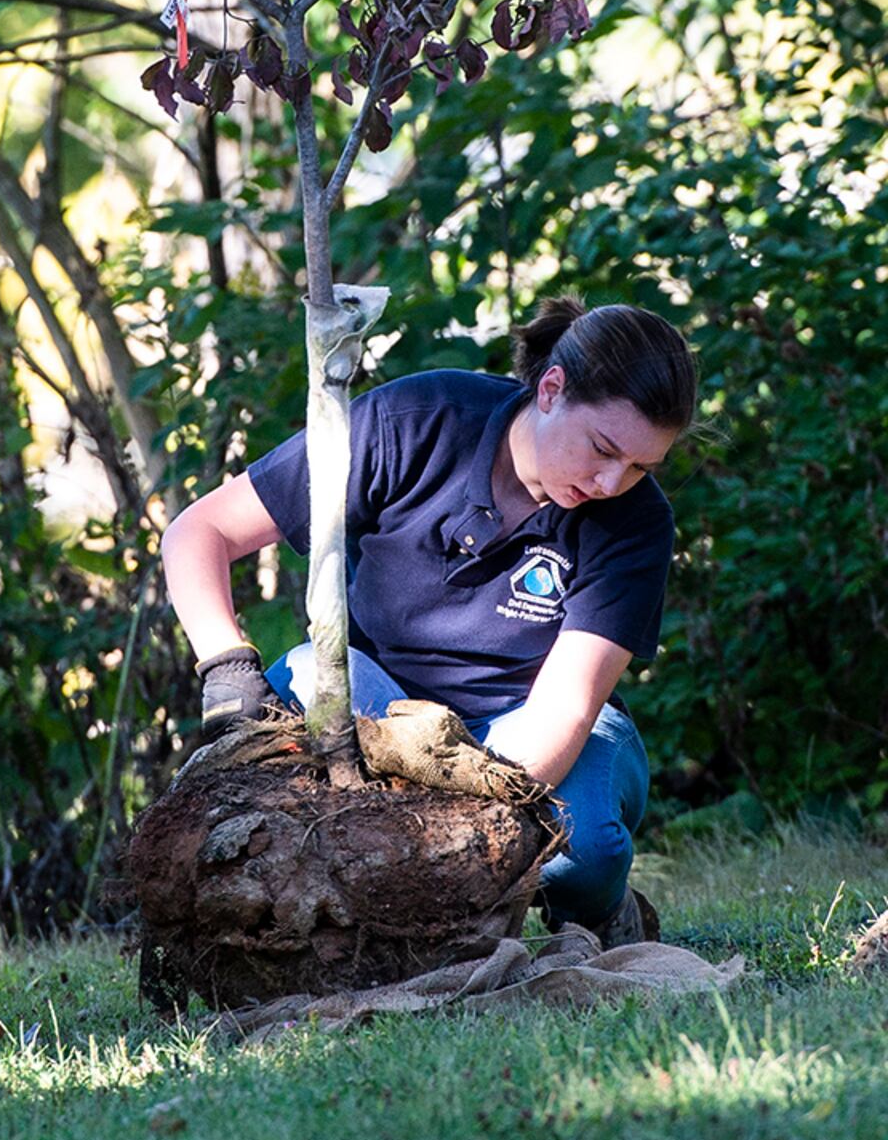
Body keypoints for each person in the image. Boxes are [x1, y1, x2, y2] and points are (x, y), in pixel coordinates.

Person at [160, 296, 697, 947]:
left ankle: (600, 912)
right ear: (552, 388)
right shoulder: (414, 423)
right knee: (306, 672)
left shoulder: (636, 520)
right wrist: (227, 669)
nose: (613, 480)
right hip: (384, 708)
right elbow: (200, 531)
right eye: (603, 448)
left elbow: (568, 705)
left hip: (528, 727)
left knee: (578, 849)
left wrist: (465, 831)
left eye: (640, 465)